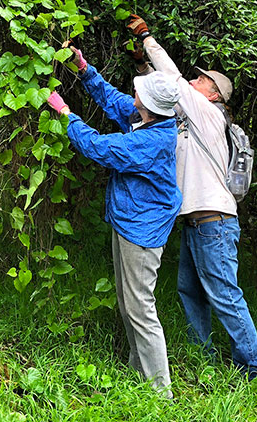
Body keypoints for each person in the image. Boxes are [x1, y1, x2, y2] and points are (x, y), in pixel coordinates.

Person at [125, 14, 257, 382]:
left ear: (213, 94)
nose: (193, 82)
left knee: (224, 293)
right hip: (196, 223)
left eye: (201, 80)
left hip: (214, 223)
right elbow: (158, 98)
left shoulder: (209, 114)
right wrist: (143, 66)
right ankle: (203, 360)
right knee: (189, 290)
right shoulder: (190, 121)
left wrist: (147, 37)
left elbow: (174, 82)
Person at [46, 46, 182, 396]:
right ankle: (142, 376)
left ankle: (161, 395)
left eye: (140, 90)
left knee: (141, 309)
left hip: (142, 229)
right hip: (130, 220)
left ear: (150, 103)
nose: (134, 91)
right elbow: (112, 99)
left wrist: (65, 113)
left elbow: (100, 148)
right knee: (128, 304)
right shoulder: (147, 116)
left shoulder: (152, 140)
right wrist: (84, 68)